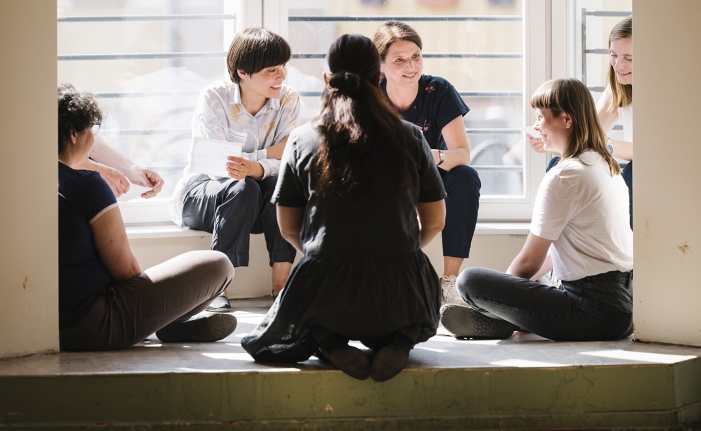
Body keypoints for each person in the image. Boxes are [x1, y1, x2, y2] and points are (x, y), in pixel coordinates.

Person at [241, 34, 446, 382]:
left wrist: (326, 257)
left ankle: (329, 340)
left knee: (296, 322)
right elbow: (435, 221)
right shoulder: (411, 136)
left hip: (329, 295)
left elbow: (287, 227)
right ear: (379, 77)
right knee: (412, 313)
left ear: (327, 79)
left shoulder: (303, 139)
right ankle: (401, 339)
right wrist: (401, 253)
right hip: (398, 294)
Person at [440, 78, 633, 341]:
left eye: (541, 117)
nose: (536, 126)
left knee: (469, 280)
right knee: (542, 279)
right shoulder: (605, 164)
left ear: (567, 119)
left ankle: (498, 319)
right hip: (623, 310)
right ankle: (513, 319)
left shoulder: (565, 175)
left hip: (590, 312)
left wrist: (497, 297)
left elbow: (529, 262)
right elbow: (557, 256)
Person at [58, 84, 236, 351]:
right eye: (91, 130)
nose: (93, 139)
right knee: (219, 265)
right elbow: (126, 272)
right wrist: (157, 301)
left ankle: (158, 323)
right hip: (96, 323)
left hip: (52, 325)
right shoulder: (89, 185)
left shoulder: (33, 180)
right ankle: (159, 323)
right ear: (73, 134)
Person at [169, 27, 300, 310]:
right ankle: (216, 290)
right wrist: (267, 156)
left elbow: (288, 160)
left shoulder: (288, 99)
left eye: (283, 67)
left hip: (254, 201)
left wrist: (253, 164)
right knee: (243, 187)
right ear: (243, 72)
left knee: (283, 187)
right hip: (201, 196)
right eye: (272, 70)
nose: (282, 76)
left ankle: (282, 289)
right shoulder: (215, 97)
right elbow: (217, 164)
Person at [372, 21, 481, 306]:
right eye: (399, 60)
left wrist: (432, 156)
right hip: (385, 181)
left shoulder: (438, 90)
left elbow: (462, 154)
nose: (411, 66)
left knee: (466, 177)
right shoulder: (370, 93)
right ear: (380, 65)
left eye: (416, 56)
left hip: (431, 178)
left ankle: (449, 281)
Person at [529, 17, 633, 227]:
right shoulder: (618, 89)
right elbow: (586, 132)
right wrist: (550, 136)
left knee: (633, 172)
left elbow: (654, 154)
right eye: (613, 55)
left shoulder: (660, 92)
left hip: (649, 172)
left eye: (628, 58)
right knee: (557, 163)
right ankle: (549, 230)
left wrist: (605, 145)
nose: (618, 65)